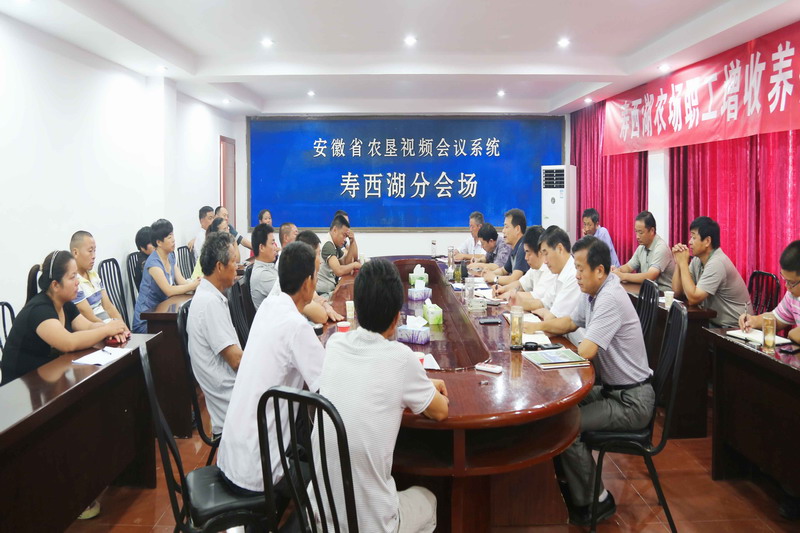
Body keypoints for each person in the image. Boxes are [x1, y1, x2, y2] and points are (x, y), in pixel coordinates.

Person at [312, 258, 448, 532]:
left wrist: (419, 386)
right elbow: (440, 411)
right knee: (429, 499)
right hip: (370, 525)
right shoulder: (401, 358)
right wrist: (426, 386)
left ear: (357, 308)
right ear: (397, 318)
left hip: (319, 518)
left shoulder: (335, 344)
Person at [539, 236, 654, 526]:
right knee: (558, 410)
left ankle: (597, 500)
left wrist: (549, 358)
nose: (576, 275)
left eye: (580, 269)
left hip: (632, 401)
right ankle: (569, 482)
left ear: (599, 271)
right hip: (614, 391)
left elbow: (587, 351)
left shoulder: (609, 297)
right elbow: (568, 323)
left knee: (567, 426)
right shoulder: (593, 293)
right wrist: (534, 328)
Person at [218, 241, 325, 499]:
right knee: (326, 482)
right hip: (256, 472)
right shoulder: (296, 326)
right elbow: (330, 386)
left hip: (231, 457)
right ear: (307, 283)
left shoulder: (269, 307)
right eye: (316, 275)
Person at [1, 250, 128, 384]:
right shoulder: (39, 310)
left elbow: (88, 326)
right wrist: (106, 330)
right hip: (20, 386)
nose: (77, 282)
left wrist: (112, 329)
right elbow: (69, 343)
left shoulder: (65, 304)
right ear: (55, 285)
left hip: (48, 379)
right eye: (72, 277)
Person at [186, 232, 242, 436]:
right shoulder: (209, 303)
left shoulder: (210, 295)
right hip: (230, 401)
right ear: (219, 266)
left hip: (231, 390)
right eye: (234, 261)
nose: (237, 266)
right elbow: (236, 360)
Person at [671, 216, 751, 327]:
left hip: (734, 327)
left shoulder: (717, 263)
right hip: (712, 321)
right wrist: (678, 263)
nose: (689, 242)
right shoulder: (698, 260)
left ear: (707, 241)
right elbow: (677, 292)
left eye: (694, 237)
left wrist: (683, 263)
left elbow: (693, 298)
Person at [133, 219, 200, 333]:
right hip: (147, 319)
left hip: (163, 312)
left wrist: (196, 282)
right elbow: (169, 291)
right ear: (159, 242)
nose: (173, 239)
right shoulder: (153, 264)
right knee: (182, 330)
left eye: (173, 235)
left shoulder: (170, 256)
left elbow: (182, 281)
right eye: (169, 237)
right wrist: (193, 285)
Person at [267, 231, 344, 323]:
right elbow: (321, 316)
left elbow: (316, 297)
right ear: (308, 255)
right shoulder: (294, 279)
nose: (320, 260)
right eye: (318, 254)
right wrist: (324, 308)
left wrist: (327, 307)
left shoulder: (300, 272)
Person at [739, 240, 800, 344]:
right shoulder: (792, 295)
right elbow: (776, 318)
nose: (787, 286)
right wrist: (754, 321)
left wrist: (792, 334)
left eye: (791, 282)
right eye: (785, 280)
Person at [518, 226, 581, 323]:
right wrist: (516, 303)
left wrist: (544, 314)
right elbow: (543, 303)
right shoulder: (559, 273)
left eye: (546, 254)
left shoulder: (573, 276)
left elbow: (554, 318)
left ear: (560, 249)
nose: (545, 261)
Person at [68, 231, 128, 326]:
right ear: (75, 253)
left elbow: (109, 307)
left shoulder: (93, 274)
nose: (94, 256)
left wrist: (124, 327)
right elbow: (90, 317)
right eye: (90, 251)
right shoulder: (74, 281)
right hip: (96, 328)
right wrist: (113, 329)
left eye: (94, 251)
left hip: (108, 324)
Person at [612, 211, 675, 291]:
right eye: (636, 232)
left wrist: (623, 276)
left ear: (652, 231)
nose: (637, 236)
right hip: (648, 291)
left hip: (662, 293)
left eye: (641, 232)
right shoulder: (641, 247)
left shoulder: (661, 248)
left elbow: (651, 276)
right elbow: (629, 267)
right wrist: (618, 270)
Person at [495, 225, 557, 302]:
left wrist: (508, 294)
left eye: (528, 253)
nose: (526, 258)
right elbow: (521, 284)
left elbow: (535, 296)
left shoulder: (550, 270)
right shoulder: (534, 268)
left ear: (540, 251)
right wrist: (503, 289)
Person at [317, 214, 361, 298]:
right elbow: (339, 271)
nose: (345, 240)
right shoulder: (328, 245)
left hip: (331, 290)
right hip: (323, 294)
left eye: (346, 237)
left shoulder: (335, 244)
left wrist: (352, 242)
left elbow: (346, 263)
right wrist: (354, 265)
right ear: (335, 230)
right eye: (344, 235)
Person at [482, 208, 529, 286]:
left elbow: (514, 279)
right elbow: (503, 270)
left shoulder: (523, 247)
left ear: (517, 229)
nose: (503, 231)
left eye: (506, 227)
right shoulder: (514, 247)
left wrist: (494, 278)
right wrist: (490, 273)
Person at [249, 223, 279, 309]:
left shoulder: (269, 266)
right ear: (261, 247)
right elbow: (291, 297)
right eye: (272, 243)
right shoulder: (262, 275)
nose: (275, 248)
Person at [132, 226, 154, 291]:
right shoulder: (144, 263)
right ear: (142, 247)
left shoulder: (152, 257)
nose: (155, 245)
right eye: (151, 243)